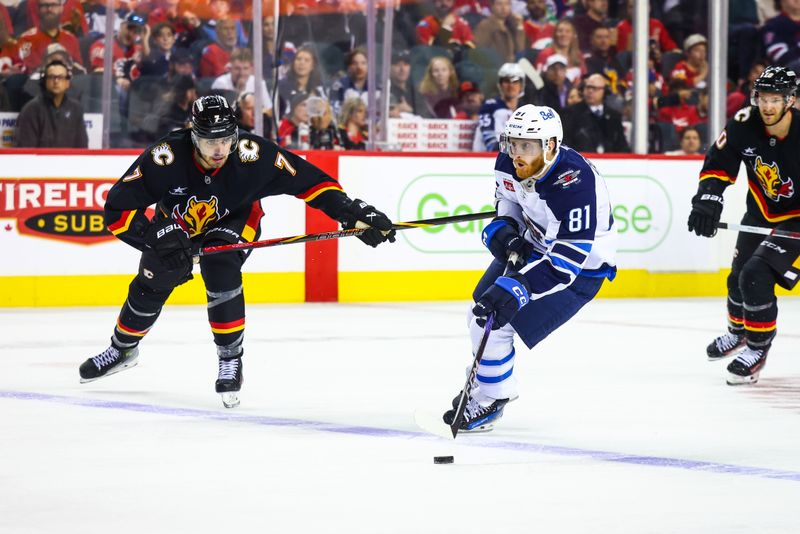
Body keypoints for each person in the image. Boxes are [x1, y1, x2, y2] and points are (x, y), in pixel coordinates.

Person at [78, 95, 396, 407]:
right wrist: (156, 238)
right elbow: (116, 211)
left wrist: (352, 212)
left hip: (236, 219)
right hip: (175, 223)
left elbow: (311, 183)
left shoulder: (251, 154)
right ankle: (123, 350)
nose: (219, 150)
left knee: (220, 262)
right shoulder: (166, 157)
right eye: (209, 141)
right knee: (155, 276)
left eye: (226, 139)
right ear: (193, 135)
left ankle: (230, 359)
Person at [442, 104, 616, 431]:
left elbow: (566, 262)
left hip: (581, 269)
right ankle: (488, 381)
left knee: (493, 319)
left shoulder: (574, 182)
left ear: (550, 145)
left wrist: (521, 287)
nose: (517, 154)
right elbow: (507, 198)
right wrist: (506, 228)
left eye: (528, 146)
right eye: (513, 143)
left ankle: (494, 398)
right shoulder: (508, 160)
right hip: (537, 247)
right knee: (481, 312)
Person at [687, 66, 800, 385]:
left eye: (775, 99)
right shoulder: (743, 123)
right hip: (760, 211)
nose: (767, 106)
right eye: (763, 98)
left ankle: (757, 348)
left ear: (790, 100)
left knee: (755, 275)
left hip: (796, 220)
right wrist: (708, 198)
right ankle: (737, 333)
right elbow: (719, 161)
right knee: (737, 278)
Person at [15, 59, 87, 148]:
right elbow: (26, 152)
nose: (56, 81)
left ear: (67, 83)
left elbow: (82, 149)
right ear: (45, 81)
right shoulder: (31, 110)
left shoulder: (76, 109)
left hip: (69, 161)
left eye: (60, 77)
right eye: (52, 77)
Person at [562, 73, 630, 153]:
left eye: (595, 88)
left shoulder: (614, 116)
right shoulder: (570, 113)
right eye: (588, 87)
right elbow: (566, 143)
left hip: (610, 163)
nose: (590, 91)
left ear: (604, 91)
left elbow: (621, 145)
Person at [473, 62, 524, 151]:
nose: (511, 85)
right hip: (487, 160)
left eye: (515, 81)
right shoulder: (490, 106)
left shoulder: (525, 110)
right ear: (500, 84)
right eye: (506, 81)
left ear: (521, 85)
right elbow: (490, 143)